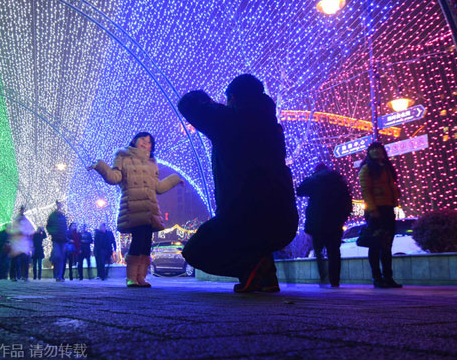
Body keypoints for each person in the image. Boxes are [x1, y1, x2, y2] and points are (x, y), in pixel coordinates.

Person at [177, 74, 298, 293]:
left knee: (195, 251)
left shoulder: (230, 121)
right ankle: (264, 276)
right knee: (256, 238)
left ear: (232, 97)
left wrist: (209, 104)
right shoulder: (272, 128)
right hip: (284, 219)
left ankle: (252, 268)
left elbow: (187, 103)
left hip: (243, 216)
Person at [89, 132, 183, 287]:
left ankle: (141, 277)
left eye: (149, 142)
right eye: (143, 140)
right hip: (133, 206)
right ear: (134, 140)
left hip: (149, 208)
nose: (146, 144)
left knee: (146, 243)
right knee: (138, 241)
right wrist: (100, 166)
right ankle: (131, 277)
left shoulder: (152, 162)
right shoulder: (123, 156)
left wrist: (175, 179)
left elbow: (158, 187)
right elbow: (114, 177)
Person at [297, 163, 352, 287]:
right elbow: (348, 201)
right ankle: (335, 280)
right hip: (335, 222)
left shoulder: (315, 180)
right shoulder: (338, 180)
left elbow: (299, 190)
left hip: (318, 222)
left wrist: (310, 177)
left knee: (318, 250)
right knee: (334, 251)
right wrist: (343, 217)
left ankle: (323, 277)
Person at [359, 142, 402, 288]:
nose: (376, 151)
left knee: (387, 245)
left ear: (383, 151)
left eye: (379, 149)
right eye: (373, 149)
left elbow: (392, 186)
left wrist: (395, 196)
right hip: (376, 210)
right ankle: (377, 278)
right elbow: (366, 191)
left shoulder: (387, 168)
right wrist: (373, 210)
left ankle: (388, 278)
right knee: (375, 244)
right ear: (369, 153)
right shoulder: (366, 169)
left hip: (388, 208)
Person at [9, 206, 34, 281]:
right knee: (15, 260)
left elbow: (30, 230)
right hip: (17, 243)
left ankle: (24, 276)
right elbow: (13, 230)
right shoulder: (16, 219)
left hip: (23, 243)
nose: (22, 211)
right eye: (21, 210)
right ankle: (13, 276)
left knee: (24, 260)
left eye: (23, 210)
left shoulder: (25, 220)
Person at [46, 201, 68, 282]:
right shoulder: (52, 216)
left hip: (63, 240)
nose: (60, 207)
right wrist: (53, 232)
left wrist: (66, 237)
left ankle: (59, 276)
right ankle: (57, 275)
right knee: (58, 256)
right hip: (56, 239)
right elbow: (48, 226)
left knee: (61, 258)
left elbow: (65, 228)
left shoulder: (63, 216)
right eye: (59, 205)